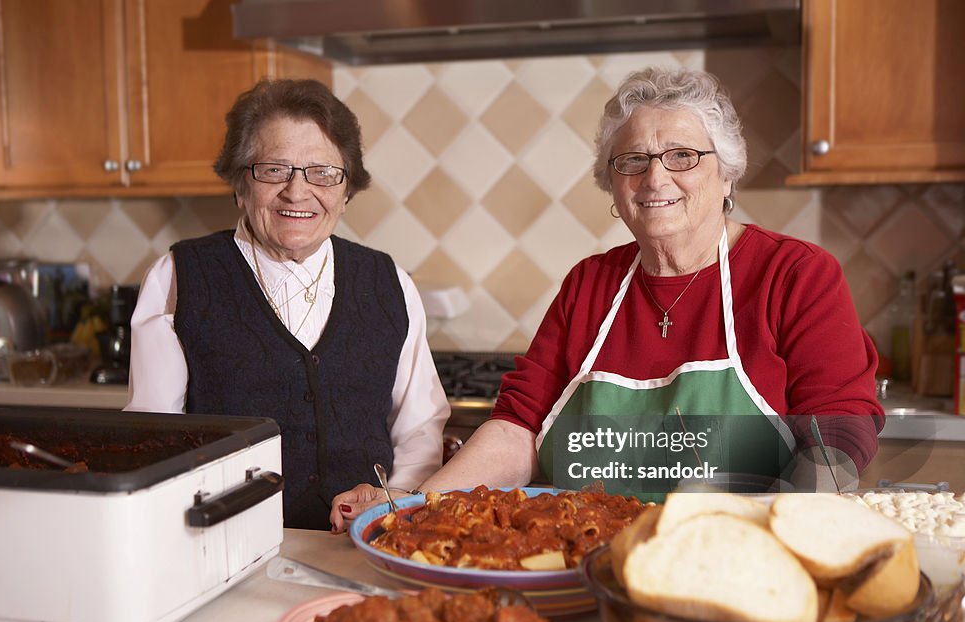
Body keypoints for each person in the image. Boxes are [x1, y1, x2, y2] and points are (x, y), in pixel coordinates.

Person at [331, 66, 883, 530]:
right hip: (584, 559)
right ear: (613, 187)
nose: (655, 177)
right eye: (632, 161)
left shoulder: (793, 274)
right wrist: (415, 508)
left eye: (682, 156)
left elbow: (837, 430)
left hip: (736, 562)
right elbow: (518, 428)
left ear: (727, 173)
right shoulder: (590, 285)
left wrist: (793, 536)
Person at [126, 79, 449, 530]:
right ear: (241, 183)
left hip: (363, 546)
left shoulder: (389, 282)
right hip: (224, 547)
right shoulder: (177, 278)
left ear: (346, 190)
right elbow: (153, 440)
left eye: (322, 172)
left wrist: (392, 501)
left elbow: (419, 428)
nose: (297, 192)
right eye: (274, 170)